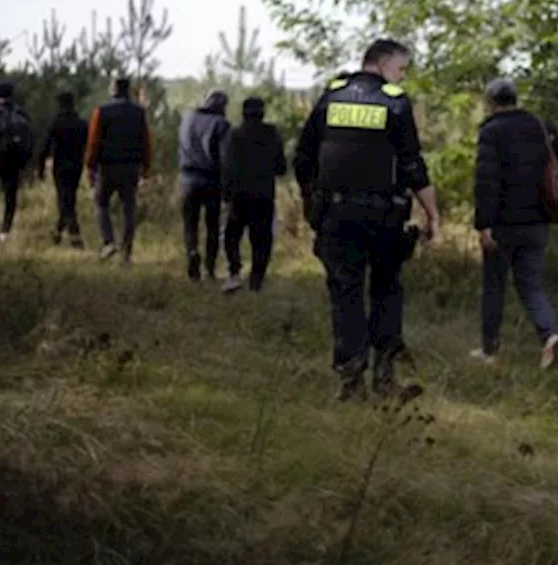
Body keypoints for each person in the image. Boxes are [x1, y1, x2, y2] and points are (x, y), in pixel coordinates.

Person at [293, 39, 440, 401]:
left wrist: (311, 201)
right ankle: (385, 376)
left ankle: (351, 379)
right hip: (383, 216)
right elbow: (412, 164)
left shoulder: (331, 96)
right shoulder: (394, 101)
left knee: (345, 294)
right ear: (384, 63)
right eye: (401, 69)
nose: (402, 76)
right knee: (387, 289)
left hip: (337, 215)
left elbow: (303, 157)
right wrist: (432, 213)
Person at [471, 78, 558, 367]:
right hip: (537, 222)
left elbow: (486, 183)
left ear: (491, 102)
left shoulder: (491, 132)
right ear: (515, 99)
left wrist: (483, 224)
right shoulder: (540, 127)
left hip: (504, 224)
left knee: (494, 285)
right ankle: (550, 335)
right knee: (531, 285)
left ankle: (489, 350)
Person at [221, 97, 286, 293]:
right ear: (262, 113)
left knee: (232, 236)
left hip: (239, 196)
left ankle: (234, 272)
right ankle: (256, 280)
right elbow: (281, 167)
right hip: (263, 195)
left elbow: (228, 167)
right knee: (262, 240)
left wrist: (227, 196)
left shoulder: (235, 135)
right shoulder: (271, 134)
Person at [85, 78, 152, 264]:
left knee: (101, 203)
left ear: (113, 89)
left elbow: (93, 141)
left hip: (107, 167)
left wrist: (90, 165)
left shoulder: (102, 111)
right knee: (128, 209)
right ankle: (127, 253)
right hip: (130, 168)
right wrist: (145, 168)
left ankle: (108, 242)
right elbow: (146, 142)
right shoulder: (138, 113)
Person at [178, 90, 231, 280]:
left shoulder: (188, 118)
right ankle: (209, 268)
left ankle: (192, 251)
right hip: (211, 180)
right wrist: (228, 185)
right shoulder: (221, 124)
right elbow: (225, 158)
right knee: (212, 226)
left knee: (190, 223)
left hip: (187, 178)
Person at [0, 81, 35, 242]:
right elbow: (30, 138)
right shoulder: (21, 114)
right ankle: (6, 229)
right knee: (10, 194)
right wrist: (27, 162)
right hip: (15, 160)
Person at [38, 91, 89, 248]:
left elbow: (45, 147)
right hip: (76, 166)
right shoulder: (81, 124)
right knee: (69, 198)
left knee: (64, 200)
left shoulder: (56, 123)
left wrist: (40, 167)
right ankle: (57, 231)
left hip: (60, 166)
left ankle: (75, 236)